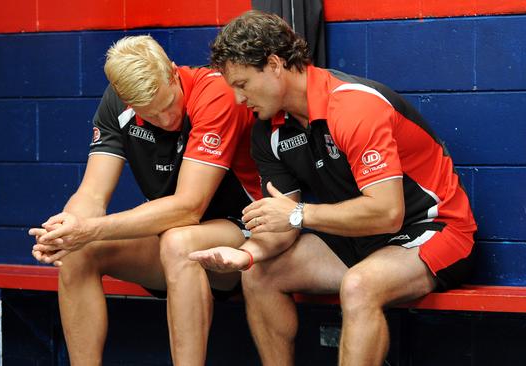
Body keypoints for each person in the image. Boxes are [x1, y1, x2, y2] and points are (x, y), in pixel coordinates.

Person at [189, 10, 477, 366]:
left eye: (243, 84)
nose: (236, 99)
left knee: (359, 285)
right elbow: (282, 223)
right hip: (360, 237)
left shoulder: (353, 105)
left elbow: (388, 213)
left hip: (433, 229)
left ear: (275, 65)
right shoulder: (269, 129)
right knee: (259, 276)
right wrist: (248, 254)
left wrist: (298, 215)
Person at [27, 35, 261, 366]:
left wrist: (92, 229)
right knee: (78, 253)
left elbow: (189, 207)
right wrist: (65, 231)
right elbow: (91, 195)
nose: (166, 119)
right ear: (127, 102)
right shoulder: (116, 103)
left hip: (245, 238)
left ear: (172, 72)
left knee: (180, 242)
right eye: (151, 115)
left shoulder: (214, 92)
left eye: (168, 105)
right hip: (170, 243)